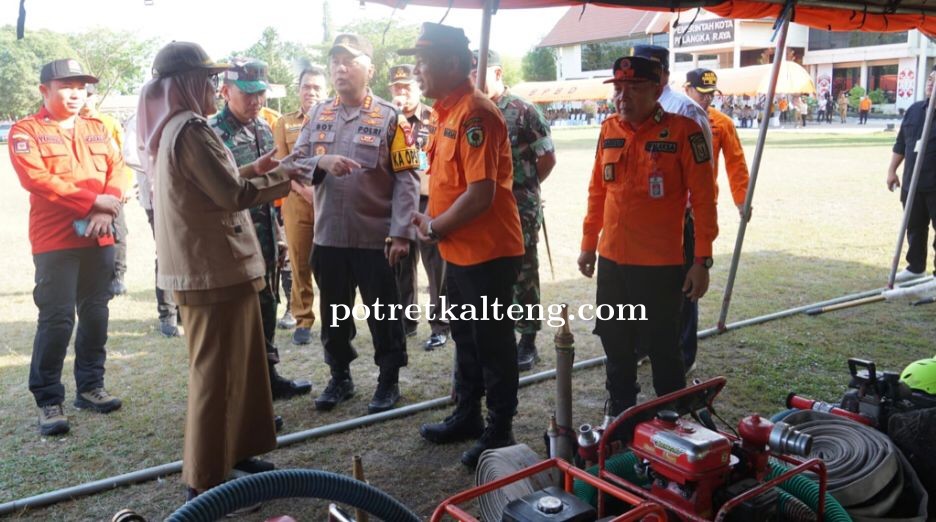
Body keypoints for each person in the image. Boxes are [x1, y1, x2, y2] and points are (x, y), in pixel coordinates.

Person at [139, 41, 301, 499]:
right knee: (215, 376)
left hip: (218, 269)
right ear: (186, 83)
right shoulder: (191, 129)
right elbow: (231, 194)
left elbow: (215, 181)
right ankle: (206, 480)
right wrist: (294, 175)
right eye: (208, 79)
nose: (214, 87)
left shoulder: (179, 127)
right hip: (211, 270)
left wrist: (257, 167)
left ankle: (237, 453)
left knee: (241, 368)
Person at [402, 23, 525, 468]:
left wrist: (435, 227)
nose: (417, 70)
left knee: (493, 343)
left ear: (453, 63)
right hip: (460, 251)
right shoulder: (446, 112)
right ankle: (469, 414)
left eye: (424, 61)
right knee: (466, 338)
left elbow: (480, 194)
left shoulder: (475, 114)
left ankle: (500, 427)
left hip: (488, 254)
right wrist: (434, 223)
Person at [283, 34, 419, 415]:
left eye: (349, 61)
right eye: (335, 62)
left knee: (384, 313)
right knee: (334, 314)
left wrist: (401, 232)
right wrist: (320, 163)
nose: (340, 68)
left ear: (369, 69)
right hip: (329, 238)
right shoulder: (318, 115)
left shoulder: (391, 118)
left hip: (375, 239)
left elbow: (408, 178)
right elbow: (293, 163)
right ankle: (339, 376)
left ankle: (388, 380)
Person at [578, 55, 717, 416]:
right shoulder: (609, 129)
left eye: (634, 88)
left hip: (659, 265)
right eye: (618, 88)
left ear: (657, 90)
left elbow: (705, 201)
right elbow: (597, 192)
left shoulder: (684, 132)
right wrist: (588, 245)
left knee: (663, 347)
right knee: (615, 341)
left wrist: (701, 261)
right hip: (612, 261)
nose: (623, 96)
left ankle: (672, 418)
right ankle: (620, 412)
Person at [9, 59, 131, 436]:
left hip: (100, 235)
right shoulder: (26, 130)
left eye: (81, 87)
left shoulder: (97, 128)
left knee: (96, 314)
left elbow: (119, 168)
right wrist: (93, 202)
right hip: (55, 242)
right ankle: (49, 399)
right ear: (44, 90)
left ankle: (91, 387)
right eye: (66, 86)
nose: (76, 93)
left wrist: (106, 206)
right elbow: (37, 179)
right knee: (58, 319)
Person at [208, 58, 312, 402]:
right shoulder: (211, 134)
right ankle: (246, 391)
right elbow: (220, 190)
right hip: (234, 238)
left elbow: (271, 183)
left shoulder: (263, 128)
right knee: (242, 314)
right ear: (226, 92)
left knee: (268, 303)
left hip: (265, 234)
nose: (256, 101)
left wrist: (278, 232)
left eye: (260, 94)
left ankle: (268, 377)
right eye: (248, 94)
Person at [471, 49, 556, 371]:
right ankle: (499, 333)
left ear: (497, 72)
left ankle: (528, 339)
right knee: (491, 273)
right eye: (469, 72)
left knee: (523, 273)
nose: (473, 78)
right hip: (480, 207)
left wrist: (524, 188)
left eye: (478, 71)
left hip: (519, 206)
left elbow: (547, 158)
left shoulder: (523, 110)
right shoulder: (471, 110)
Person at [630, 44, 712, 375]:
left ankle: (682, 355)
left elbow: (703, 178)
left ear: (664, 74)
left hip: (677, 220)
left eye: (648, 70)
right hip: (637, 222)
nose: (638, 77)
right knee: (638, 288)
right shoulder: (628, 107)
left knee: (681, 291)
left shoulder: (687, 111)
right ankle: (642, 346)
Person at [387, 63, 450, 350]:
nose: (401, 93)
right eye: (397, 88)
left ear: (418, 87)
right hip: (398, 200)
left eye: (407, 87)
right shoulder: (387, 119)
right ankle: (406, 321)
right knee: (401, 263)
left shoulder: (434, 117)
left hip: (429, 199)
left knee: (436, 267)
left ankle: (440, 325)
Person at [273, 65, 328, 346]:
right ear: (299, 90)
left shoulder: (336, 119)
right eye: (307, 87)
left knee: (330, 264)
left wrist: (319, 195)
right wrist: (305, 192)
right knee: (299, 262)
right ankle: (303, 319)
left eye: (317, 87)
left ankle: (334, 319)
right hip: (297, 202)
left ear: (326, 91)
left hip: (330, 202)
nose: (311, 92)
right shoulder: (284, 123)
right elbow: (281, 166)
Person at [123, 112, 181, 337]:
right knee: (166, 253)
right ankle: (168, 314)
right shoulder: (140, 117)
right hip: (156, 199)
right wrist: (162, 167)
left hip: (182, 197)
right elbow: (130, 154)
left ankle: (182, 308)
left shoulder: (179, 113)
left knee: (184, 251)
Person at [887, 67, 936, 282]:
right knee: (914, 226)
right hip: (912, 182)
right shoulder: (915, 110)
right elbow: (901, 143)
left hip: (934, 184)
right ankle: (916, 268)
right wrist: (892, 171)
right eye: (930, 79)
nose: (931, 83)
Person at [82, 83, 130, 296]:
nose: (85, 99)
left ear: (95, 97)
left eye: (89, 95)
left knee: (118, 232)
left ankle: (118, 276)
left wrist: (124, 187)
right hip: (88, 194)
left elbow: (123, 158)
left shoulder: (108, 123)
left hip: (112, 190)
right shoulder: (72, 125)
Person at [684, 68, 751, 220]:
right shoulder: (671, 116)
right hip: (671, 201)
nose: (707, 99)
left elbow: (736, 162)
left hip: (704, 201)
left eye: (711, 94)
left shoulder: (723, 123)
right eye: (702, 94)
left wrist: (742, 199)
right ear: (687, 90)